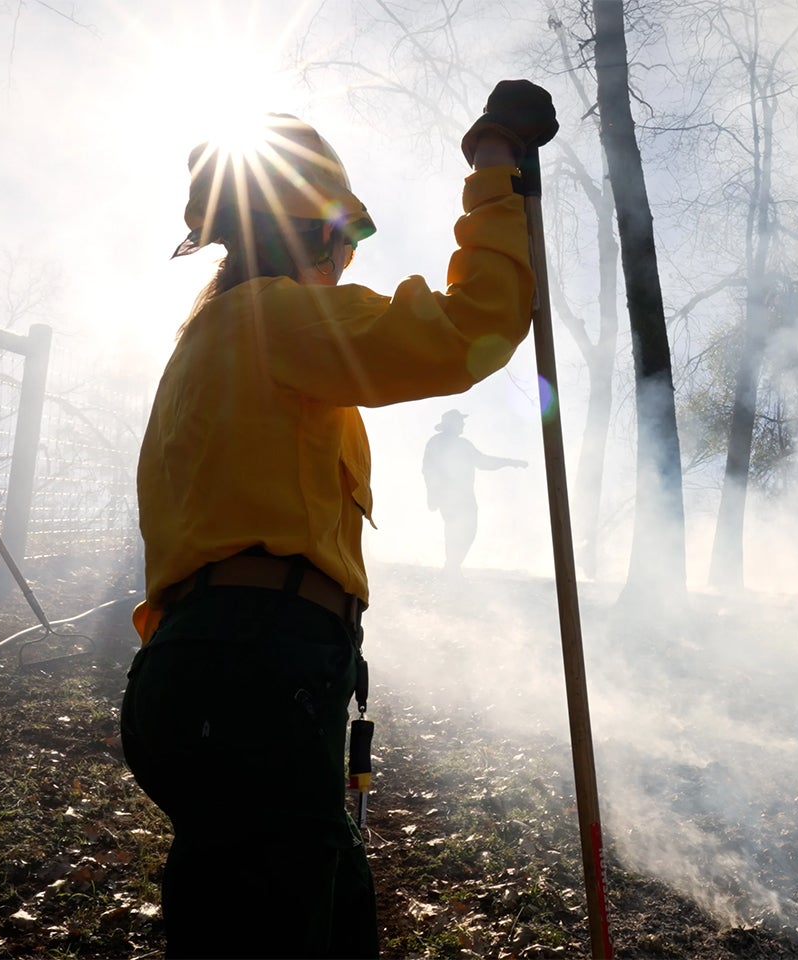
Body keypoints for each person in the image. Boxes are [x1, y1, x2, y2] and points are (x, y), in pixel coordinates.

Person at [120, 82, 556, 960]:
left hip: (215, 669)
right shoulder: (271, 319)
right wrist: (494, 169)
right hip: (256, 667)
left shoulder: (217, 340)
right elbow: (475, 328)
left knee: (311, 913)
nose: (350, 259)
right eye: (345, 236)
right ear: (310, 231)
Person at [422, 408, 527, 576]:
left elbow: (427, 470)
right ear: (452, 424)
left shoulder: (441, 443)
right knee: (464, 531)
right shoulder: (458, 444)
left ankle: (451, 568)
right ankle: (452, 568)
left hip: (451, 498)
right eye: (460, 421)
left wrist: (432, 495)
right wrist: (509, 462)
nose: (463, 424)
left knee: (457, 532)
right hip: (459, 499)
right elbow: (483, 462)